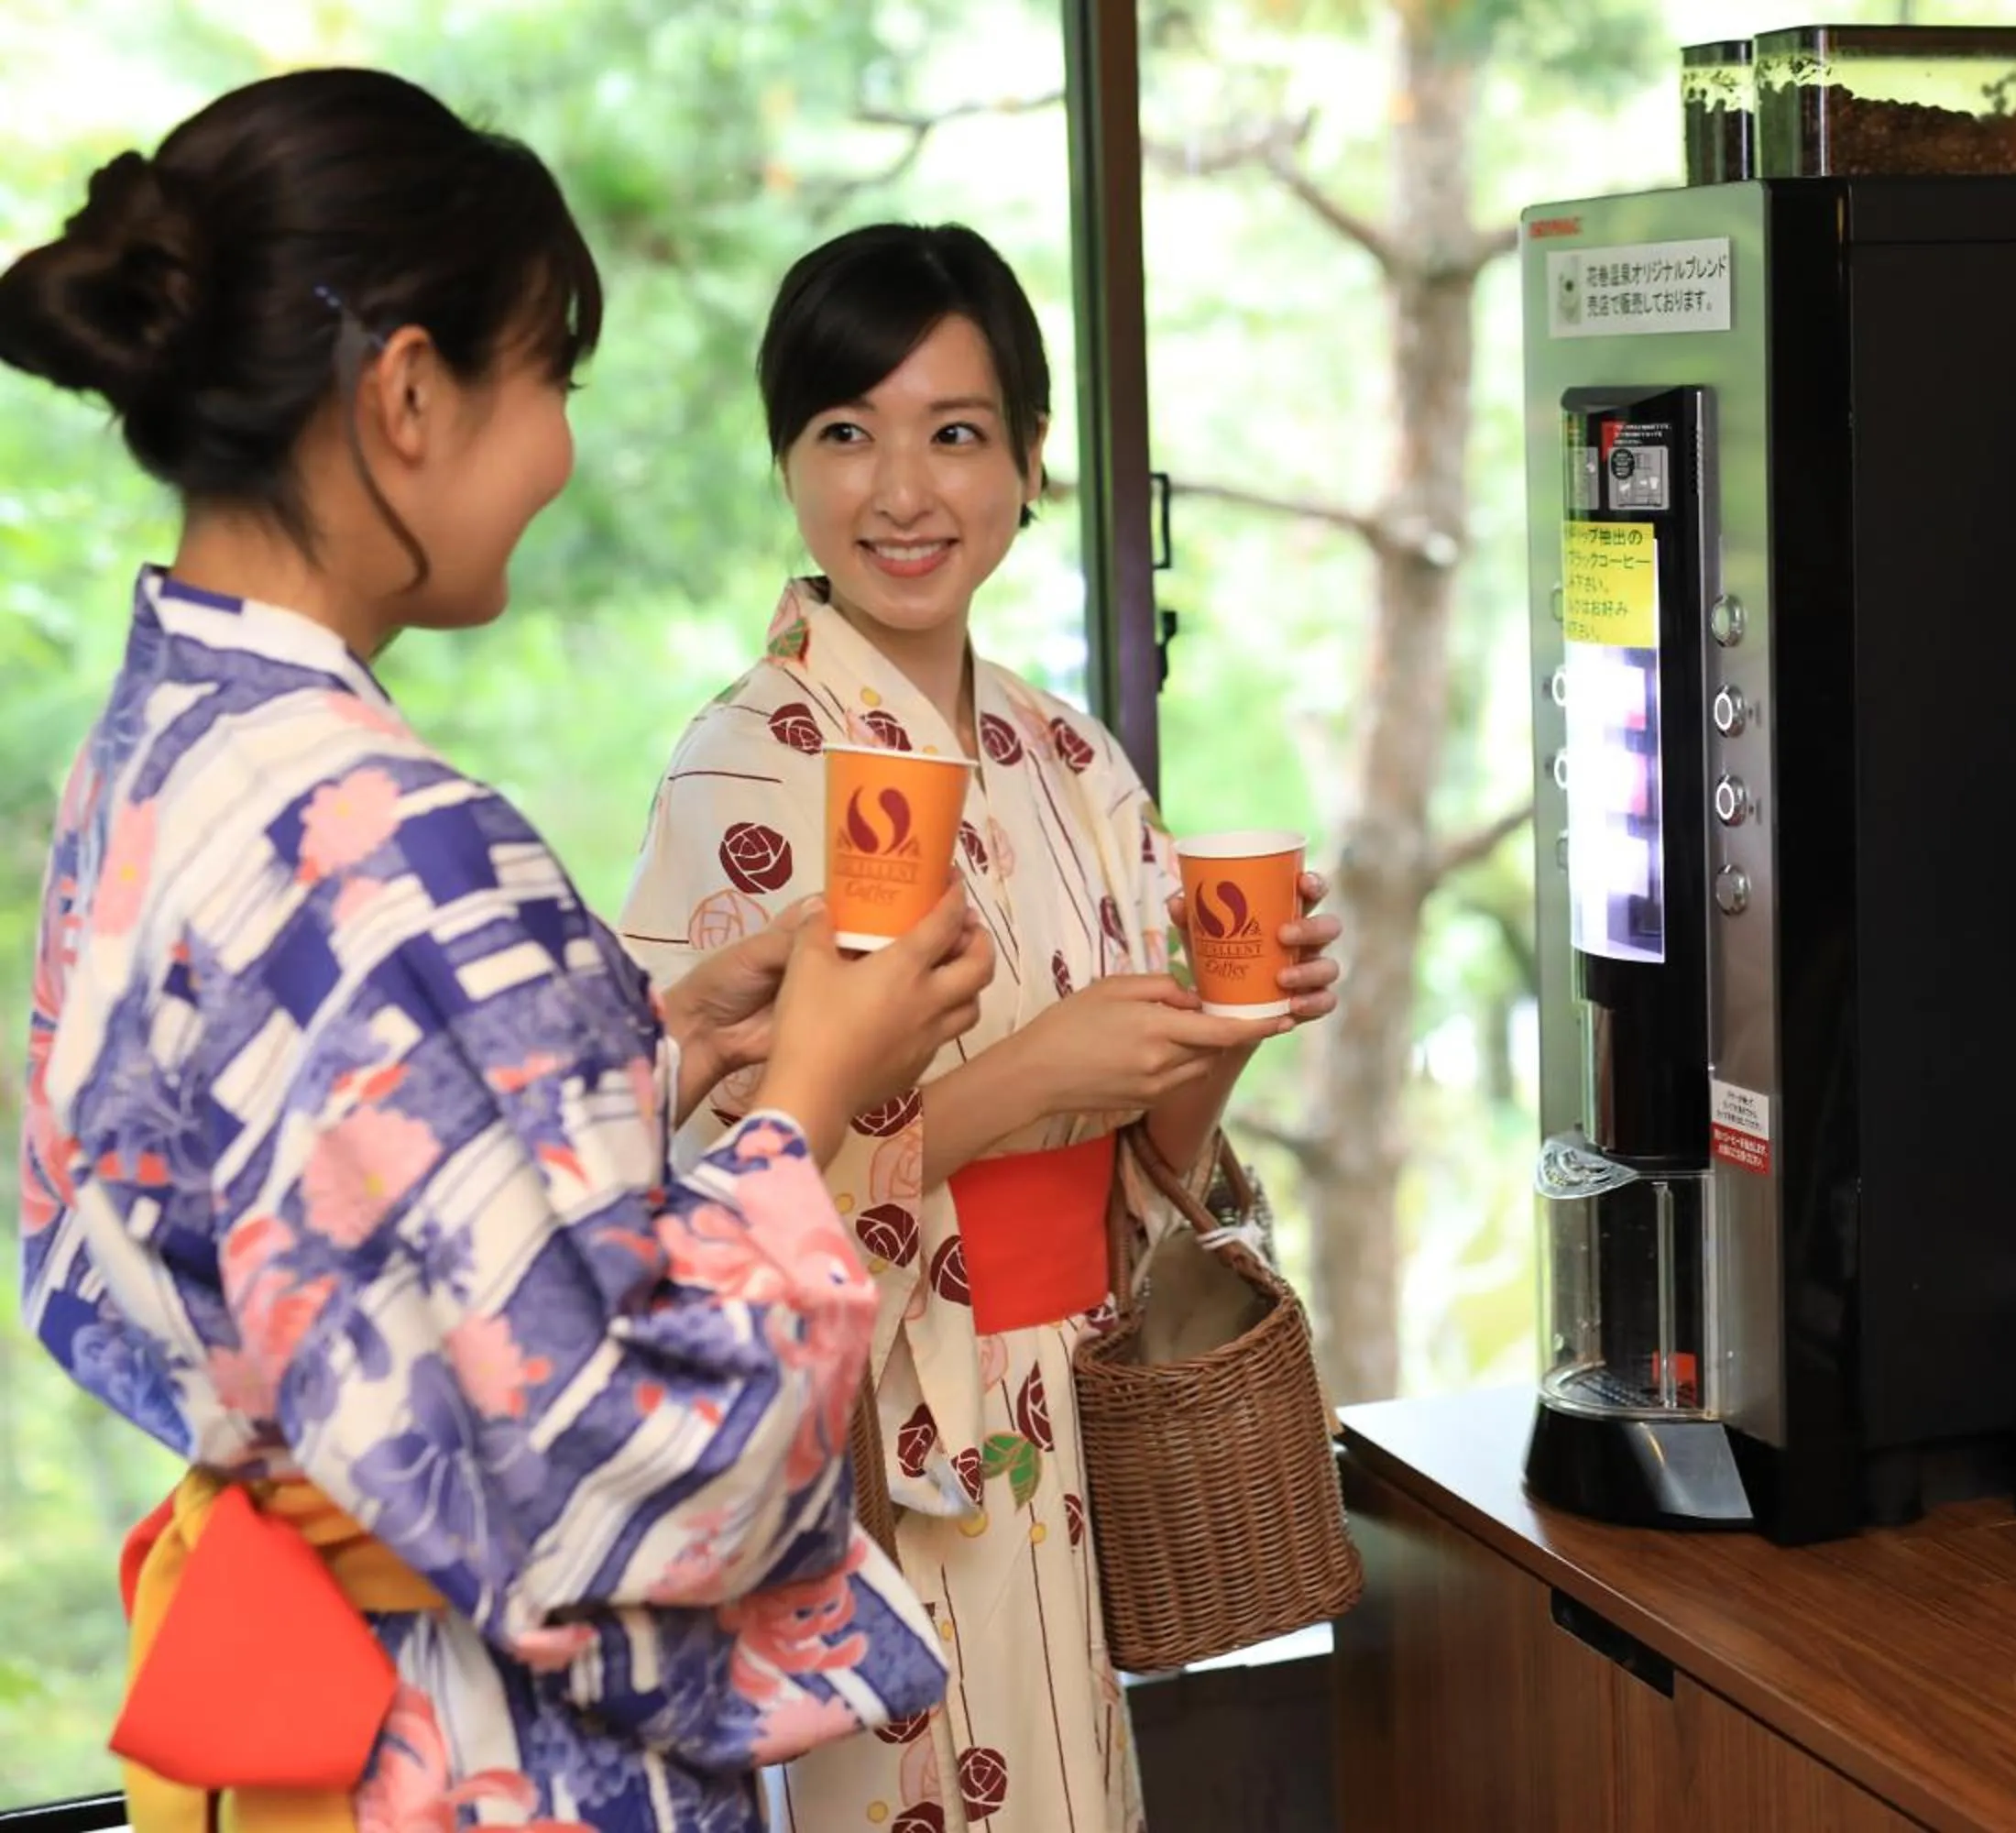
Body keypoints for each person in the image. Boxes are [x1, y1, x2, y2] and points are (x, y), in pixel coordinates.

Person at [4, 70, 997, 1832]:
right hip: (461, 1753)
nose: (559, 451)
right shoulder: (400, 845)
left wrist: (655, 1046)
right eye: (551, 382)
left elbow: (302, 1200)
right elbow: (634, 1465)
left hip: (300, 1712)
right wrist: (813, 1105)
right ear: (406, 396)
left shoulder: (154, 756)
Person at [617, 223, 1342, 1831]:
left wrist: (1226, 1024)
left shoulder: (1064, 751)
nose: (901, 490)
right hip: (884, 1434)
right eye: (843, 435)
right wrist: (1034, 1074)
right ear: (787, 467)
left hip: (1068, 1415)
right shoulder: (743, 767)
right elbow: (695, 1195)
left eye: (953, 434)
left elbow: (1154, 1167)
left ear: (1028, 463)